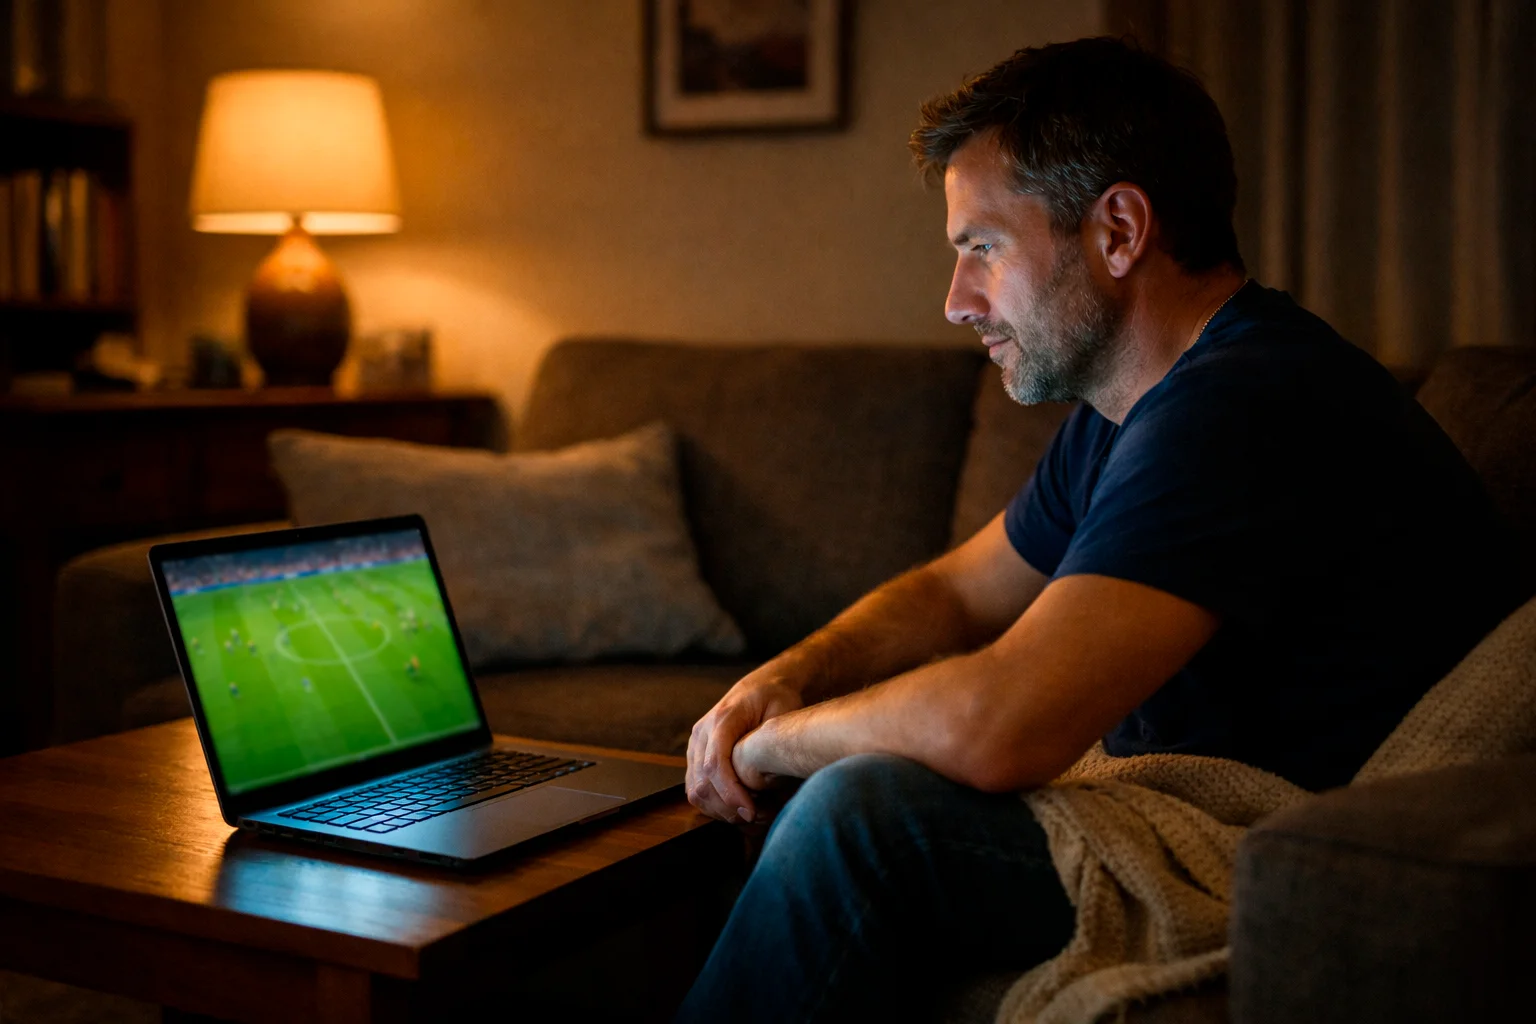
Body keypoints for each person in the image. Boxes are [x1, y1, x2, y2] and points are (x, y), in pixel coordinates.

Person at [675, 36, 1525, 1023]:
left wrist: (782, 740)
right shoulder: (1132, 411)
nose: (956, 302)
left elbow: (1002, 724)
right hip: (1200, 806)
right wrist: (789, 675)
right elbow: (956, 590)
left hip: (1273, 846)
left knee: (858, 818)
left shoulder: (1247, 401)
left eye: (981, 249)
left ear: (1118, 230)